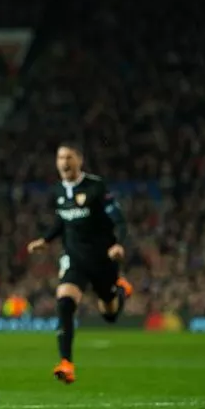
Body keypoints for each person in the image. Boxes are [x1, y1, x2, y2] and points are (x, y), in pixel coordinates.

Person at [27, 142, 132, 384]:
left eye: (69, 157)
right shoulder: (57, 191)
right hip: (75, 259)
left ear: (79, 160)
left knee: (110, 314)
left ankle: (120, 290)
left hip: (103, 259)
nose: (64, 162)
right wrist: (46, 240)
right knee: (64, 302)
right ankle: (66, 363)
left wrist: (119, 244)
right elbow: (61, 221)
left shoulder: (96, 186)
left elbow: (120, 220)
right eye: (60, 157)